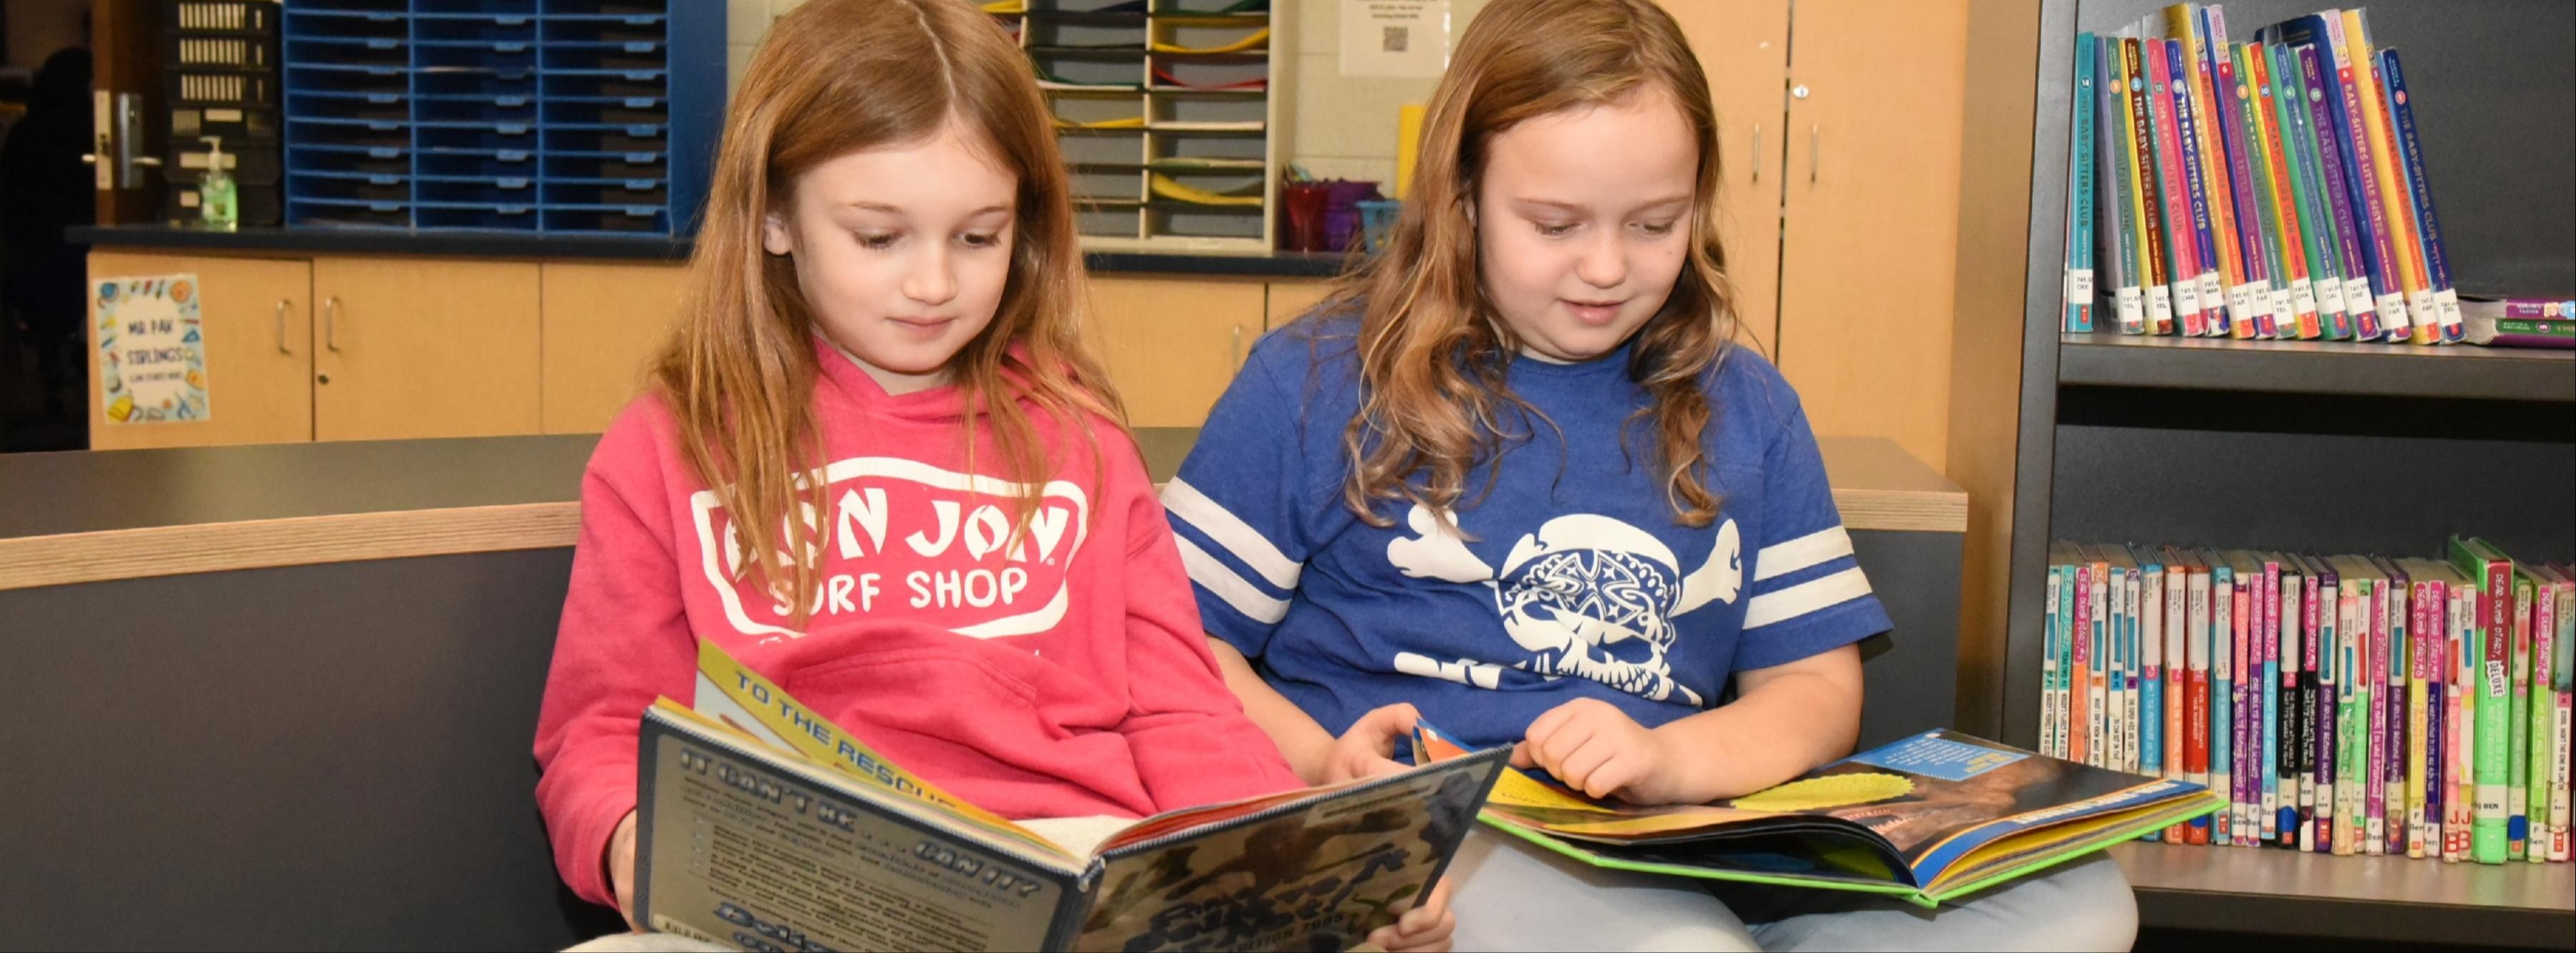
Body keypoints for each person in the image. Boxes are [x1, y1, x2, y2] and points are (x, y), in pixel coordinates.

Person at [1170, 0, 2137, 949]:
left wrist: (1670, 760)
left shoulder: (1745, 404)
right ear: (1462, 199)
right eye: (1554, 225)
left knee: (2081, 906)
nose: (1605, 266)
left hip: (1681, 835)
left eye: (1653, 224)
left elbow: (1814, 686)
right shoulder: (1315, 381)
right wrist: (1317, 761)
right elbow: (1173, 645)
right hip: (1441, 842)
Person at [529, 1, 1452, 949]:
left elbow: (1180, 709)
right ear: (773, 214)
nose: (934, 283)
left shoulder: (1078, 437)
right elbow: (598, 732)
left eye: (978, 238)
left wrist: (1299, 881)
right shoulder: (668, 444)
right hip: (800, 889)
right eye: (880, 238)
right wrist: (631, 841)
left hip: (1071, 866)